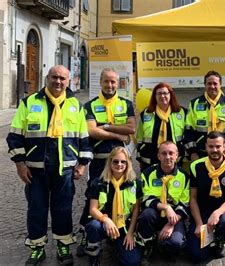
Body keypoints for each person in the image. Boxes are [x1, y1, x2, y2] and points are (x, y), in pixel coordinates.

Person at [6, 65, 93, 265]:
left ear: (68, 81)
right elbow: (14, 137)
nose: (58, 82)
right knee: (36, 209)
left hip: (65, 170)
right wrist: (20, 164)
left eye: (63, 78)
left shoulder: (75, 106)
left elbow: (84, 139)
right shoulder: (29, 103)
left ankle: (63, 246)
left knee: (63, 209)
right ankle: (37, 248)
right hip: (35, 170)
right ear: (47, 77)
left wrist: (82, 164)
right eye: (55, 77)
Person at [77, 68, 136, 256]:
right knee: (93, 197)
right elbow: (92, 131)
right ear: (100, 82)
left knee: (122, 194)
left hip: (121, 162)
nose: (110, 85)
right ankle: (88, 232)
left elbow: (132, 129)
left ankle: (119, 227)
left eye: (113, 82)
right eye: (106, 81)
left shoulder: (126, 104)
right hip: (99, 162)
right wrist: (118, 133)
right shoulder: (90, 105)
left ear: (118, 83)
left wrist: (108, 127)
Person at [187, 132, 225, 263]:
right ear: (206, 147)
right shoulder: (196, 166)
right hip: (202, 212)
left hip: (224, 211)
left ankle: (221, 240)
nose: (215, 150)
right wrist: (199, 224)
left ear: (224, 147)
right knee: (197, 256)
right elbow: (193, 198)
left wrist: (218, 213)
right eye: (211, 146)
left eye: (218, 146)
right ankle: (208, 236)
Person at [84, 146, 142, 266]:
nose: (119, 164)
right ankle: (94, 255)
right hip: (104, 224)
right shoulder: (98, 182)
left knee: (133, 262)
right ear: (110, 162)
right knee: (93, 226)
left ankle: (117, 245)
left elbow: (136, 210)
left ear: (128, 163)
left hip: (124, 226)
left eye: (123, 161)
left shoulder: (135, 183)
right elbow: (93, 209)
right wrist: (106, 220)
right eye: (115, 161)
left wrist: (130, 233)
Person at [135, 141, 189, 259]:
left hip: (174, 216)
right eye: (164, 153)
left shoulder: (184, 176)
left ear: (177, 155)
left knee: (176, 244)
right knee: (146, 215)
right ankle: (147, 243)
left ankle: (163, 244)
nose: (168, 157)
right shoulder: (148, 173)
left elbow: (185, 204)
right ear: (158, 156)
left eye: (171, 153)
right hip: (155, 212)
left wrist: (171, 224)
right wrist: (166, 207)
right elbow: (146, 199)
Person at [184, 70, 225, 161]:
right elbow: (188, 131)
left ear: (220, 85)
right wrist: (193, 152)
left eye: (215, 84)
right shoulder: (194, 104)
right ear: (205, 85)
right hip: (200, 154)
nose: (212, 86)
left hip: (222, 154)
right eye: (209, 84)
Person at [136, 82, 186, 170]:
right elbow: (139, 138)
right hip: (150, 159)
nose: (162, 96)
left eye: (165, 93)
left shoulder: (181, 112)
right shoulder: (146, 113)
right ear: (154, 96)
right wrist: (139, 159)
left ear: (171, 95)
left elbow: (187, 135)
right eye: (159, 93)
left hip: (174, 160)